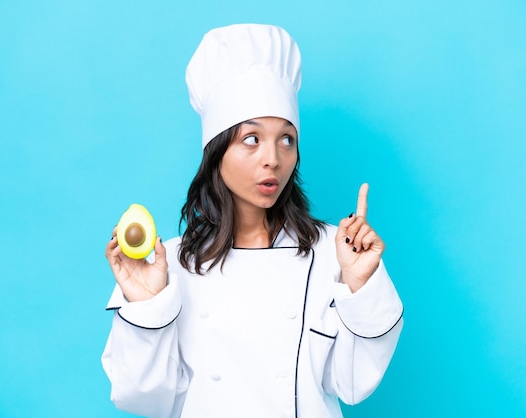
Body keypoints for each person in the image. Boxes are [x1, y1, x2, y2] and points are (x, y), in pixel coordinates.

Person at [102, 23, 403, 418]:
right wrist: (146, 308)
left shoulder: (334, 251)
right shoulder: (167, 265)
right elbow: (142, 400)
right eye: (251, 139)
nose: (273, 159)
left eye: (286, 139)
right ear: (217, 150)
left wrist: (360, 286)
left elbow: (351, 384)